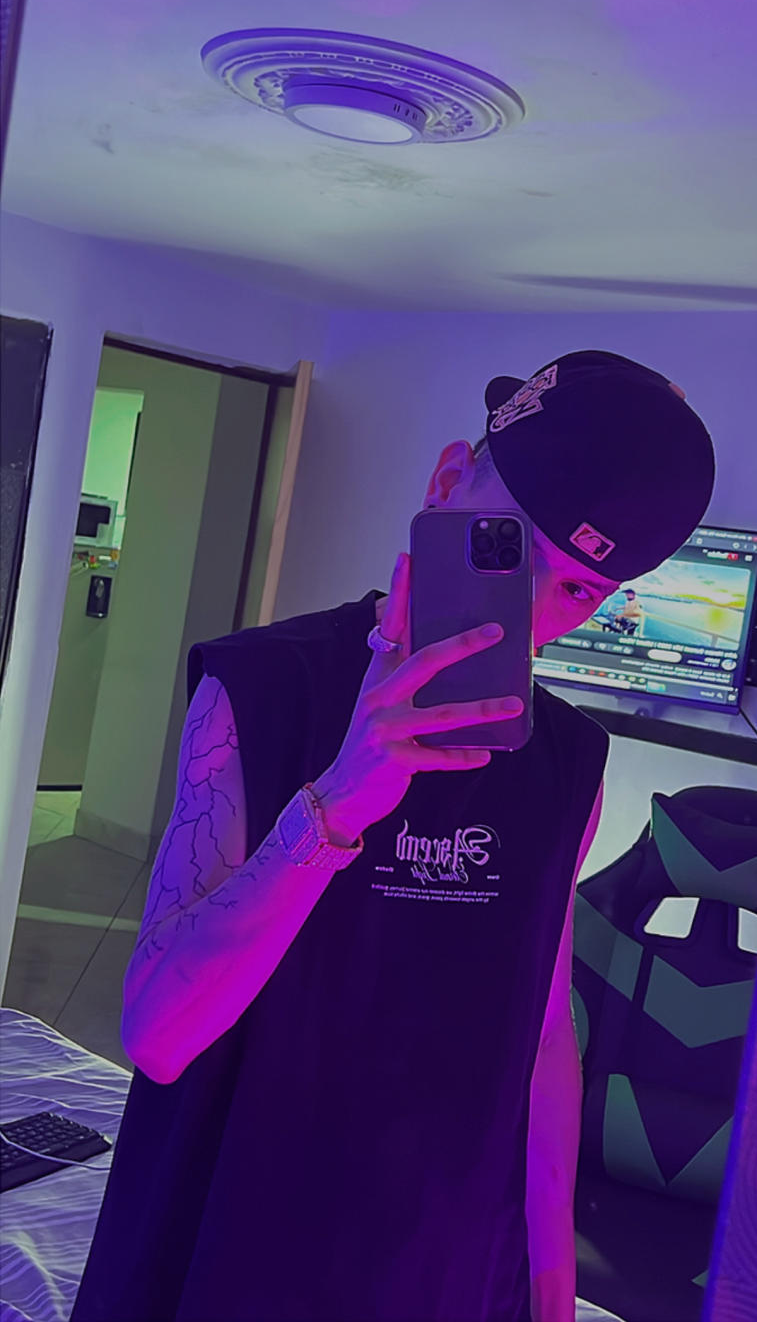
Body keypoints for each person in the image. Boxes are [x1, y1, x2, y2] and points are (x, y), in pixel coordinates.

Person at [70, 350, 715, 1322]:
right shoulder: (263, 689)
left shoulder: (570, 760)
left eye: (578, 590)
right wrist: (337, 803)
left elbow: (543, 1037)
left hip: (444, 1260)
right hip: (236, 1237)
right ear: (445, 482)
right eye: (507, 547)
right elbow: (157, 1036)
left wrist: (549, 1281)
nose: (529, 611)